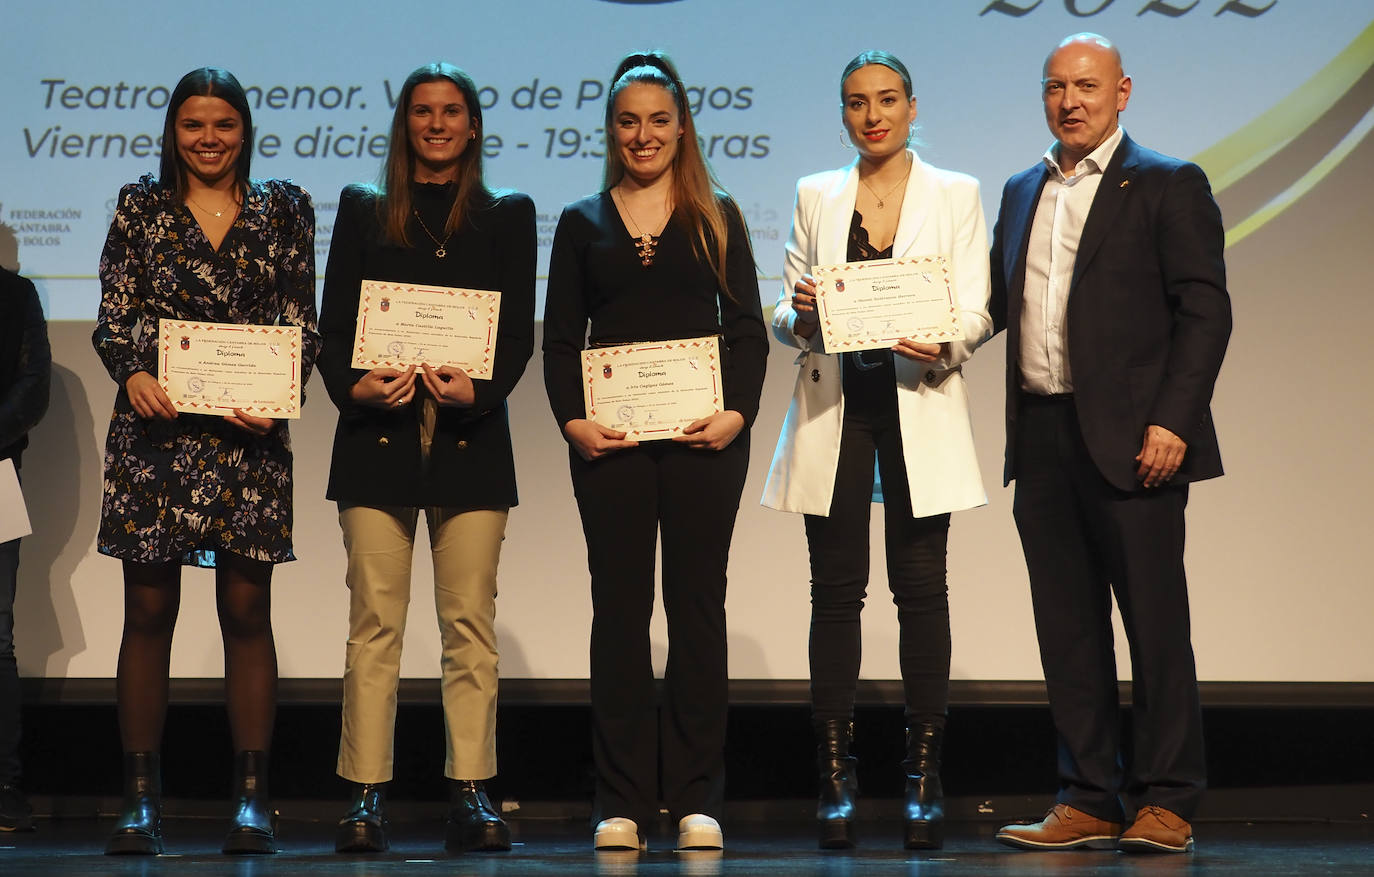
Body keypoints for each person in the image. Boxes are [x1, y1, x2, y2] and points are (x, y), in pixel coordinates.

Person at [988, 34, 1230, 854]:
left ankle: (1166, 796)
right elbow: (992, 302)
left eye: (1087, 86)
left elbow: (1205, 311)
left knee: (1155, 624)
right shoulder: (1023, 189)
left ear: (1122, 91)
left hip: (1137, 439)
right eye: (1055, 87)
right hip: (1043, 432)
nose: (1071, 102)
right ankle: (1087, 794)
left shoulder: (1167, 182)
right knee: (1068, 627)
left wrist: (1174, 420)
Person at [761, 51, 992, 851]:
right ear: (842, 115)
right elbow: (788, 314)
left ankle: (925, 777)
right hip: (838, 407)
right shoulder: (814, 194)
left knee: (922, 589)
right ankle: (836, 776)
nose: (873, 115)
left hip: (916, 401)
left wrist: (946, 338)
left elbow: (975, 308)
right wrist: (796, 313)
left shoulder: (955, 192)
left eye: (887, 100)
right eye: (857, 103)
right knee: (835, 593)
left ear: (913, 107)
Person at [542, 50, 767, 852]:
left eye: (658, 120)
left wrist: (737, 413)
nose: (643, 135)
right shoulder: (580, 222)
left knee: (699, 610)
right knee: (620, 614)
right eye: (628, 120)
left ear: (682, 128)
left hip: (707, 441)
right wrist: (574, 422)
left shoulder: (717, 214)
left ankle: (698, 796)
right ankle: (624, 800)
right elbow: (562, 342)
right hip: (612, 445)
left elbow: (745, 328)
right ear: (611, 128)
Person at [93, 66, 319, 856]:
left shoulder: (283, 207)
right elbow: (114, 318)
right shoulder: (140, 206)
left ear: (245, 130)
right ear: (173, 133)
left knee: (247, 612)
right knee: (148, 613)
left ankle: (253, 801)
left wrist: (281, 387)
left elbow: (302, 322)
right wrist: (135, 371)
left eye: (225, 124)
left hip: (249, 443)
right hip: (157, 440)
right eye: (195, 125)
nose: (210, 138)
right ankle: (140, 801)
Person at [317, 62, 535, 855]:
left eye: (451, 112)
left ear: (473, 126)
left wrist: (474, 388)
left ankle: (471, 792)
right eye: (422, 112)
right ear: (403, 123)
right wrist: (356, 385)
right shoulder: (364, 209)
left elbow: (516, 338)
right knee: (374, 623)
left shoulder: (507, 214)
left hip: (471, 440)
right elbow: (333, 327)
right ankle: (365, 794)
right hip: (376, 440)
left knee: (468, 624)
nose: (437, 124)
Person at [0, 267, 51, 833]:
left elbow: (34, 385)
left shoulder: (15, 294)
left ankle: (3, 784)